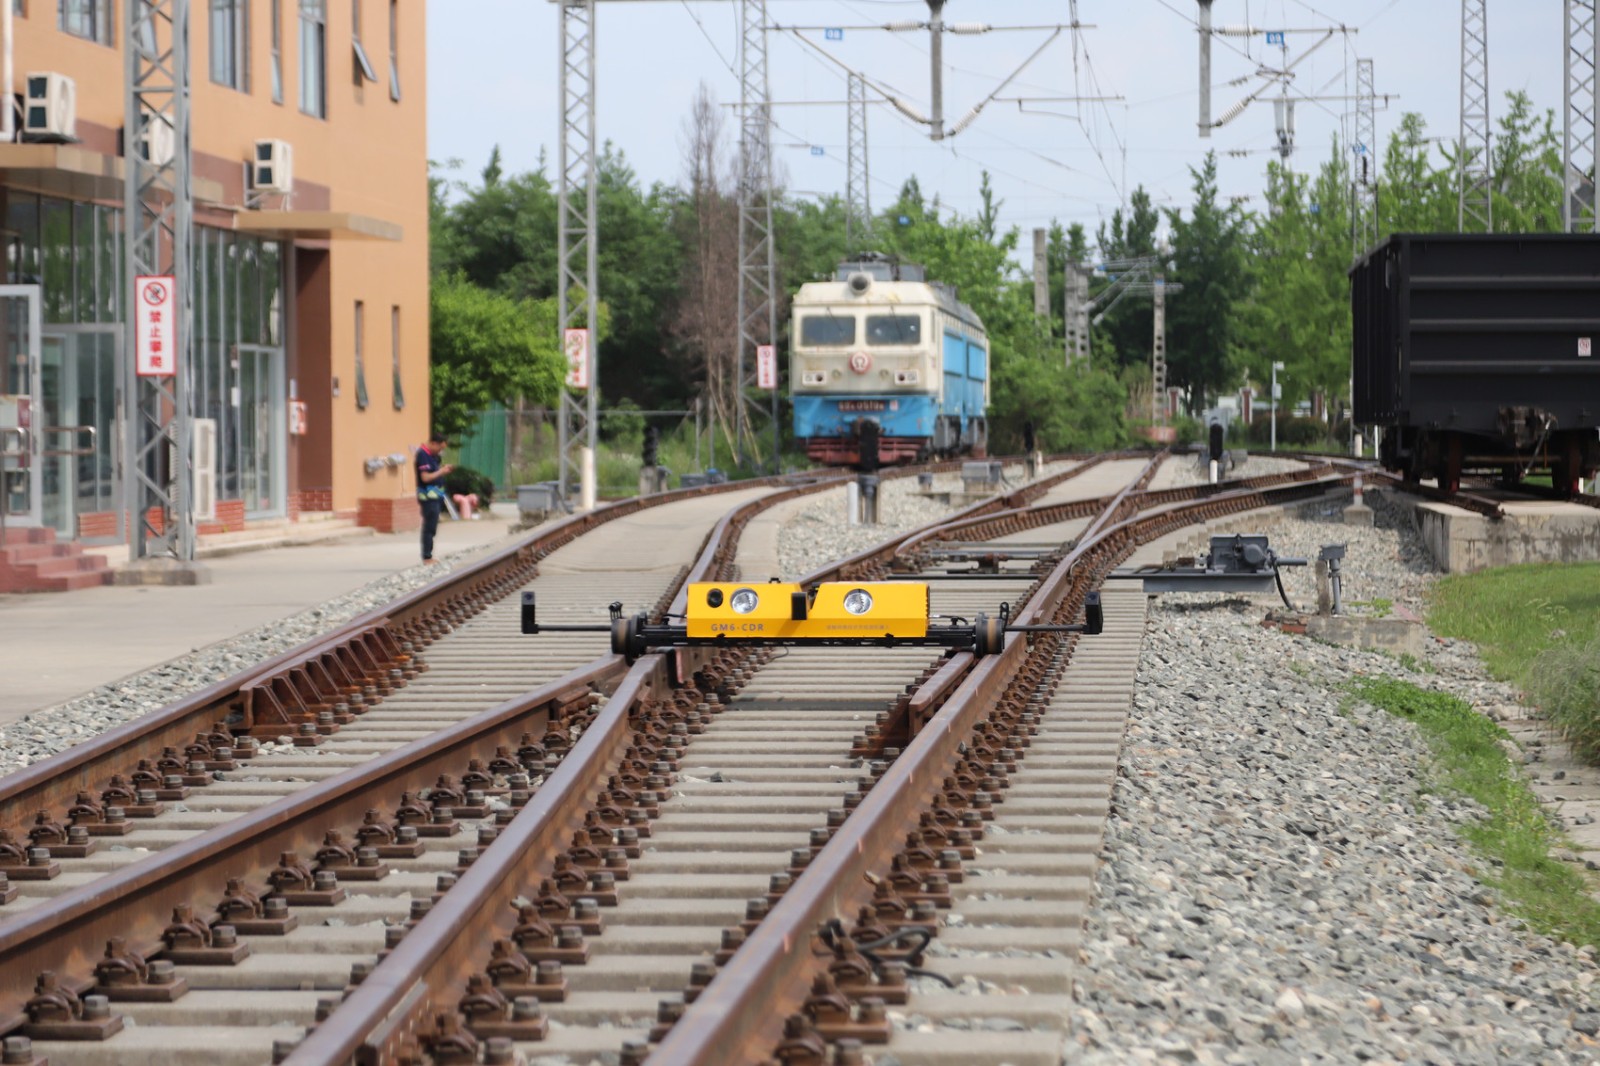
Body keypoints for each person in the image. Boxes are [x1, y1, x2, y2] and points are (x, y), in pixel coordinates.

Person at [415, 432, 453, 563]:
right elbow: (425, 477)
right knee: (429, 527)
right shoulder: (423, 455)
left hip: (436, 496)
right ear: (434, 443)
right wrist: (441, 471)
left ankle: (429, 555)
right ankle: (427, 556)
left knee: (433, 527)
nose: (440, 451)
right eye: (440, 448)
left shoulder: (433, 456)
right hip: (428, 497)